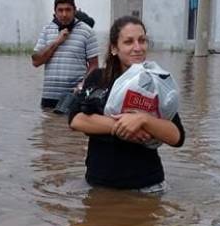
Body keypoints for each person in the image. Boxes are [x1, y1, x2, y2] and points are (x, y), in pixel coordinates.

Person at [68, 16, 184, 192]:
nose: (137, 48)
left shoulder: (155, 83)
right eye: (129, 42)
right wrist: (124, 126)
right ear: (114, 48)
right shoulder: (98, 78)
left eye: (142, 41)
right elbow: (76, 120)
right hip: (98, 185)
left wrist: (144, 120)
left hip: (147, 188)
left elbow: (176, 137)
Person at [31, 0, 99, 111]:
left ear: (74, 10)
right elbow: (36, 61)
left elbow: (94, 65)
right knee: (48, 122)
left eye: (68, 10)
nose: (64, 14)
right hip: (49, 97)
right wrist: (57, 41)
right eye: (60, 10)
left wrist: (82, 85)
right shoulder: (47, 30)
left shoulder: (87, 32)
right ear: (55, 12)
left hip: (74, 96)